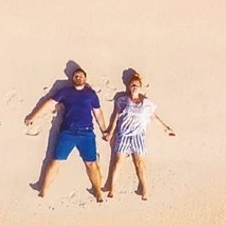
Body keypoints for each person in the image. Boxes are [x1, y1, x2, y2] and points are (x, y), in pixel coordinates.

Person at [25, 67, 107, 202]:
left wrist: (104, 130)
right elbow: (49, 103)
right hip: (67, 132)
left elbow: (98, 112)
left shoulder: (91, 94)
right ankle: (43, 188)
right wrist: (33, 116)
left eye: (81, 76)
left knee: (91, 164)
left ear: (85, 78)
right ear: (72, 79)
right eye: (76, 76)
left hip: (86, 133)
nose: (78, 77)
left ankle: (98, 191)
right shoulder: (65, 92)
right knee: (56, 161)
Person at [103, 73, 175, 200]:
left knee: (139, 163)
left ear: (140, 87)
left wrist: (166, 129)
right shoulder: (123, 100)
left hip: (138, 136)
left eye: (136, 85)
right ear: (129, 87)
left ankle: (145, 189)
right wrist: (110, 132)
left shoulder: (146, 103)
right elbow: (116, 117)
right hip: (124, 135)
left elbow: (154, 117)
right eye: (132, 85)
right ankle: (112, 187)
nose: (134, 87)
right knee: (118, 161)